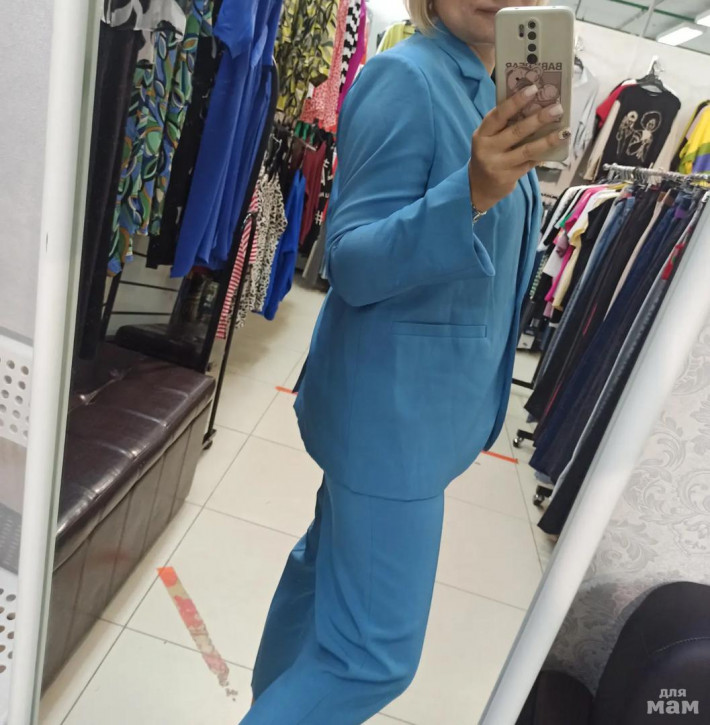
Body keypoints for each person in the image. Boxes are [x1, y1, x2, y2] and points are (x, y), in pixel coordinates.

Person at [242, 0, 568, 722]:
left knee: (322, 580)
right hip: (393, 421)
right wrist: (470, 193)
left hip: (414, 410)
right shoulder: (405, 78)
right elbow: (351, 261)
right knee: (371, 658)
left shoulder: (487, 90)